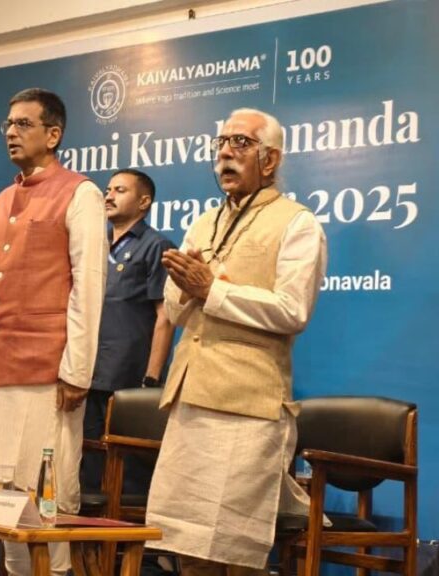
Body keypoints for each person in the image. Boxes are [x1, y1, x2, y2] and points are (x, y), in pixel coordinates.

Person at [145, 108, 327, 575]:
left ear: (271, 160)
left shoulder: (297, 223)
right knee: (185, 545)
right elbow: (178, 312)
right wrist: (186, 288)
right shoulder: (204, 222)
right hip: (190, 398)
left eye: (240, 143)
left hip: (248, 406)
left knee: (233, 550)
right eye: (221, 142)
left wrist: (212, 289)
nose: (225, 152)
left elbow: (293, 310)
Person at [0, 88, 106, 576]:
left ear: (53, 134)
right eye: (8, 124)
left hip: (46, 368)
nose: (11, 132)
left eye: (23, 124)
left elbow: (89, 286)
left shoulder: (81, 193)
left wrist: (77, 371)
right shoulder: (3, 198)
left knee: (42, 498)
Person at [81, 169, 175, 494]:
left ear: (144, 202)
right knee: (87, 468)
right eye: (108, 190)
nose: (108, 196)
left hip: (128, 377)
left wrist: (151, 380)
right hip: (88, 372)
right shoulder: (95, 244)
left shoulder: (156, 246)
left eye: (120, 190)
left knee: (126, 476)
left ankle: (121, 529)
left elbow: (165, 316)